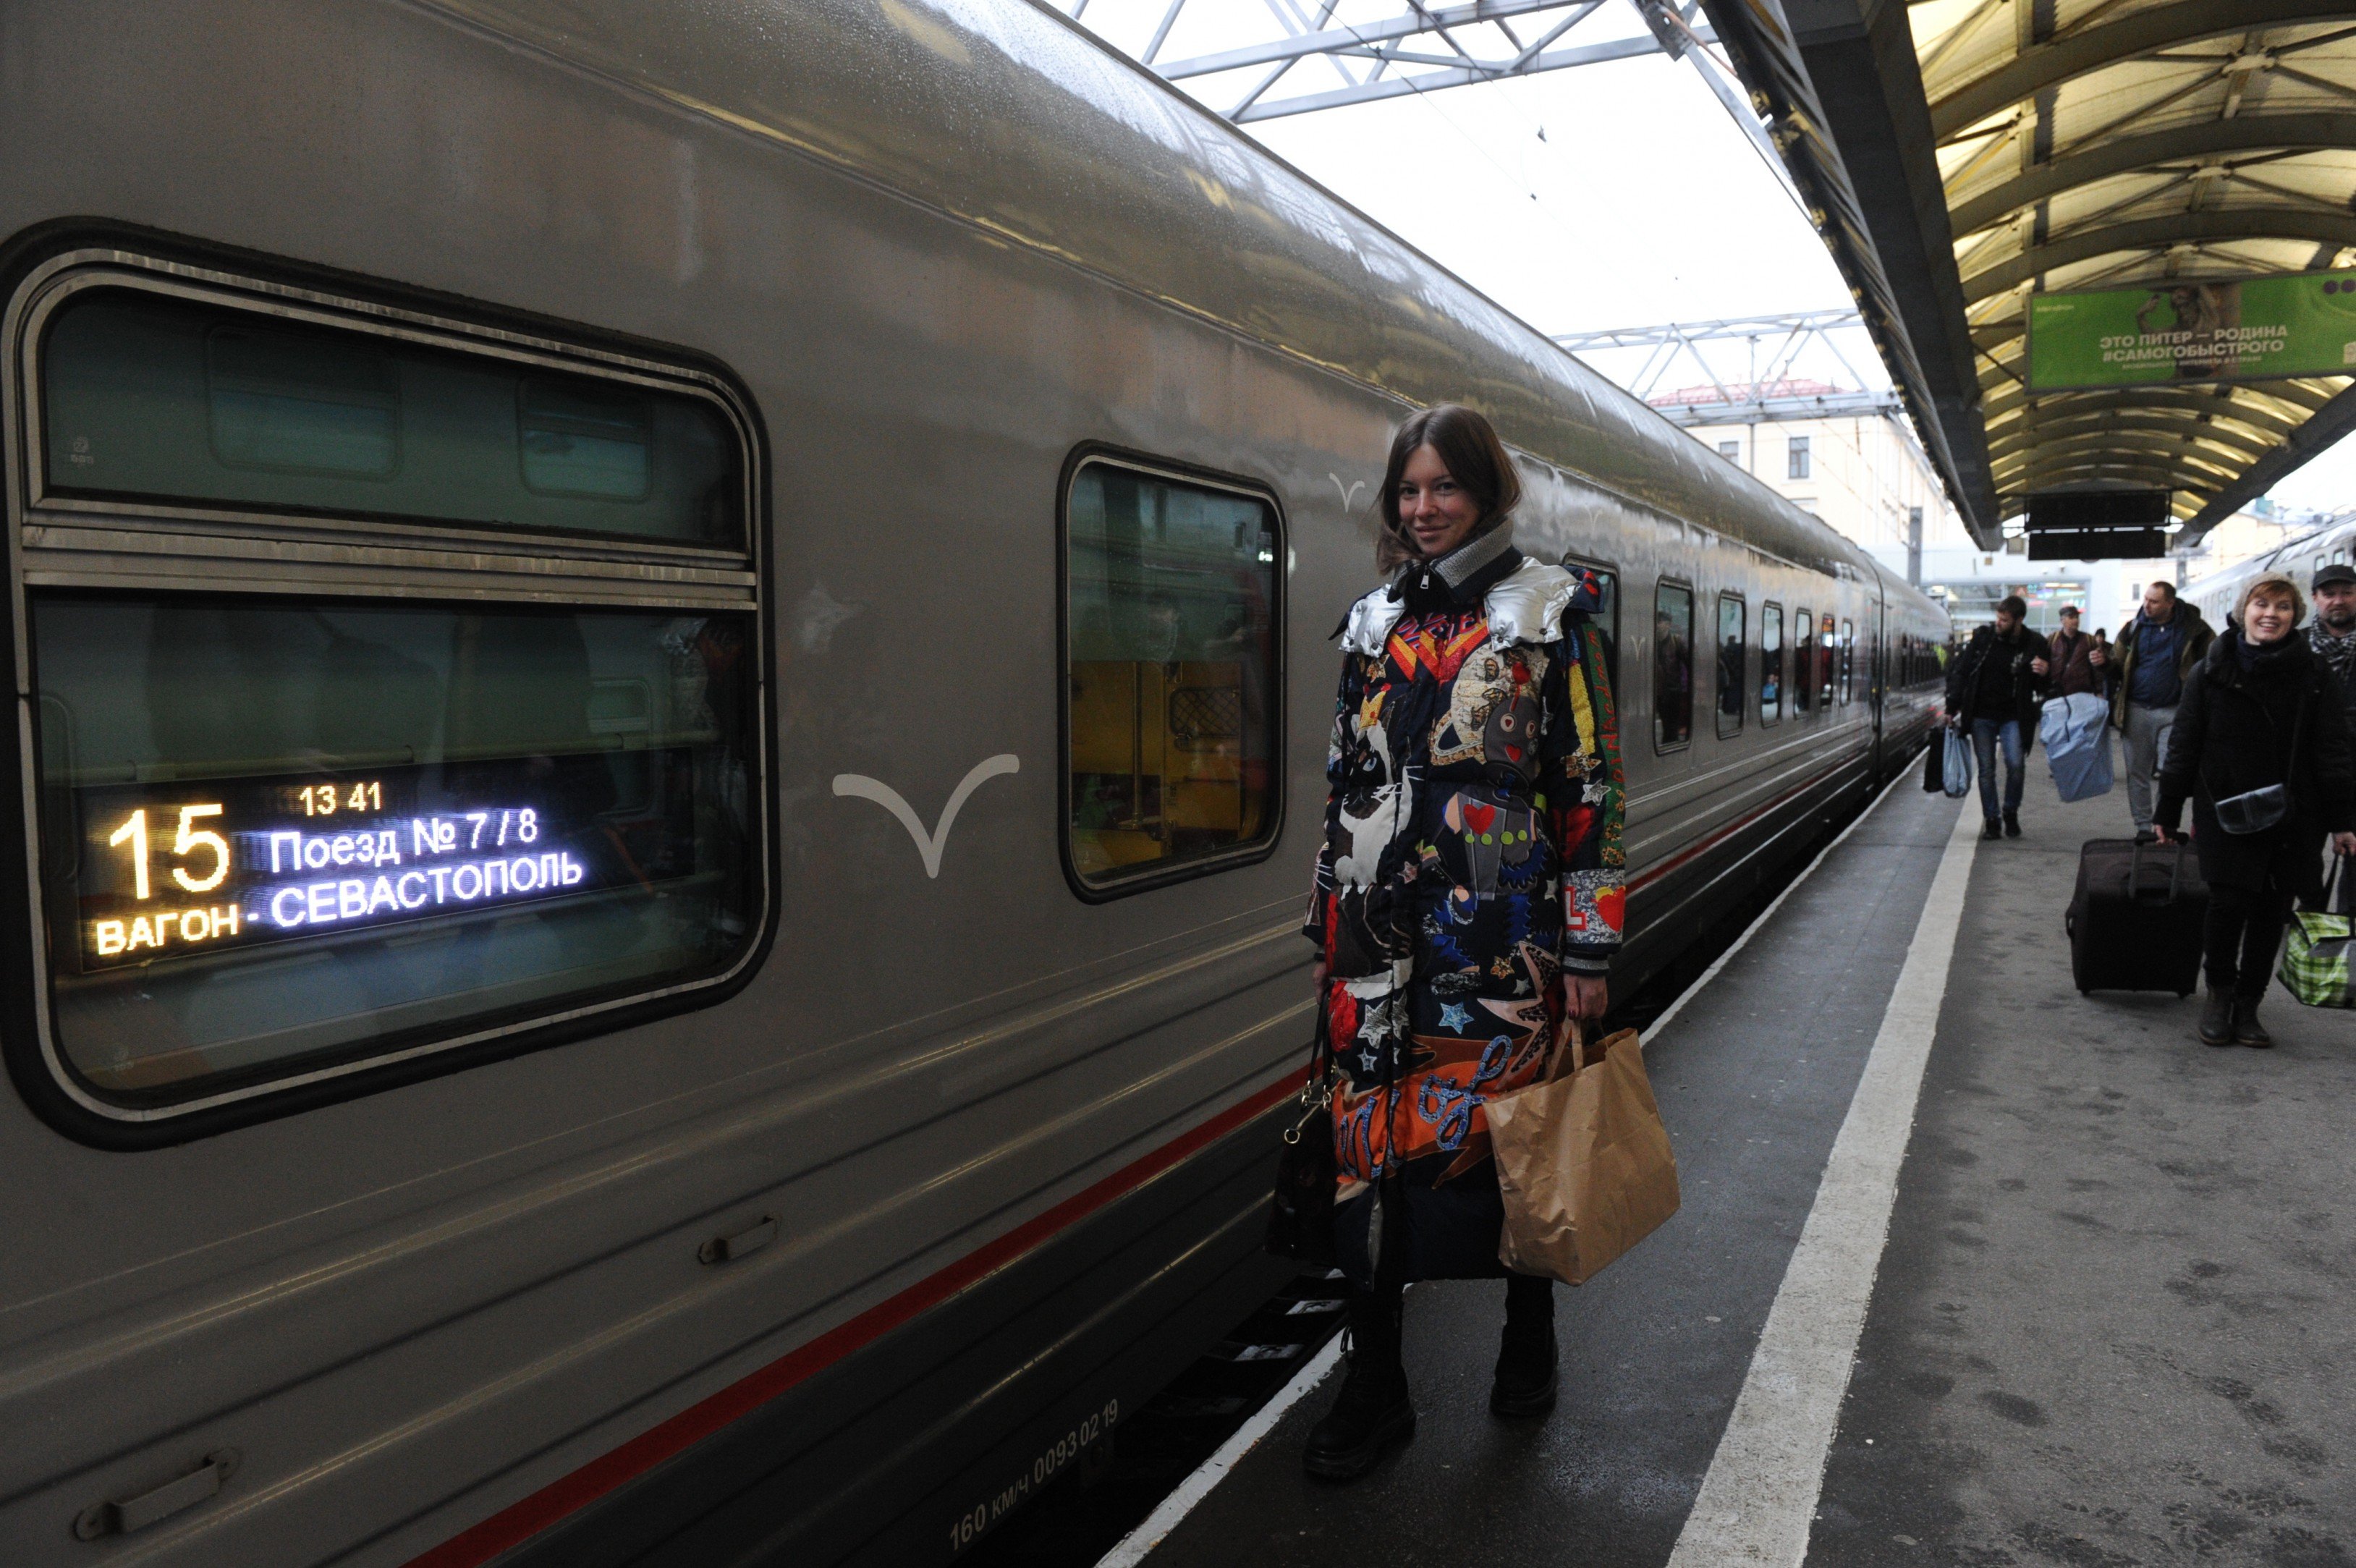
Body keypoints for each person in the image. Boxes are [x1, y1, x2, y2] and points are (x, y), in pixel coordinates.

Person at [1302, 404, 1624, 1480]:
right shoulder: (1369, 622)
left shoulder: (1551, 614)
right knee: (1368, 1159)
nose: (1423, 508)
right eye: (1408, 489)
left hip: (1503, 948)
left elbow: (1589, 787)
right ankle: (1376, 1376)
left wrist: (1588, 950)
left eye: (1443, 487)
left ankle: (1527, 1335)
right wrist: (1326, 916)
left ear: (1486, 491)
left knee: (1511, 1143)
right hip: (1377, 945)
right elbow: (1343, 781)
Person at [2155, 575, 2356, 1047]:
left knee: (2271, 911)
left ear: (2296, 615)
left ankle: (2249, 1005)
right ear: (2243, 610)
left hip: (2294, 813)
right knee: (2226, 905)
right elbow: (2184, 745)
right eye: (2261, 604)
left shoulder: (2314, 673)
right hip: (2226, 809)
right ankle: (2219, 995)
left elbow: (2332, 750)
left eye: (2283, 607)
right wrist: (2167, 808)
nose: (2271, 614)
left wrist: (2344, 820)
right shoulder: (2210, 671)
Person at [2098, 580, 2214, 842]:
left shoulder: (2195, 629)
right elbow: (2116, 663)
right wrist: (2104, 663)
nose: (2146, 605)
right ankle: (2143, 827)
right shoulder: (2134, 628)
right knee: (2137, 772)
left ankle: (2163, 824)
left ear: (2170, 603)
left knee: (2169, 771)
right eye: (2146, 600)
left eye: (2154, 601)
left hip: (2175, 711)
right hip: (2137, 708)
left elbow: (2213, 660)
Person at [1945, 596, 2050, 838]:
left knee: (2016, 765)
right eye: (1998, 618)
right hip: (1982, 715)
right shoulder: (1984, 639)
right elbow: (1962, 670)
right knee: (1986, 769)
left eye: (2004, 620)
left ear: (2019, 620)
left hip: (2014, 714)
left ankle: (2011, 811)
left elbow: (2044, 684)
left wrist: (2044, 673)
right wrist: (1952, 706)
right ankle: (1992, 820)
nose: (1999, 623)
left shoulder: (2035, 643)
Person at [2313, 561, 2356, 725]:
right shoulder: (2297, 647)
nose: (2338, 601)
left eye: (2347, 593)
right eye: (2329, 595)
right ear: (2315, 598)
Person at [2041, 604, 2103, 698]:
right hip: (2057, 693)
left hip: (2082, 693)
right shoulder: (2052, 640)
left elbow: (2096, 669)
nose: (2076, 621)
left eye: (2077, 617)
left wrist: (2098, 691)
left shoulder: (2089, 640)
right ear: (2062, 620)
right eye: (2071, 617)